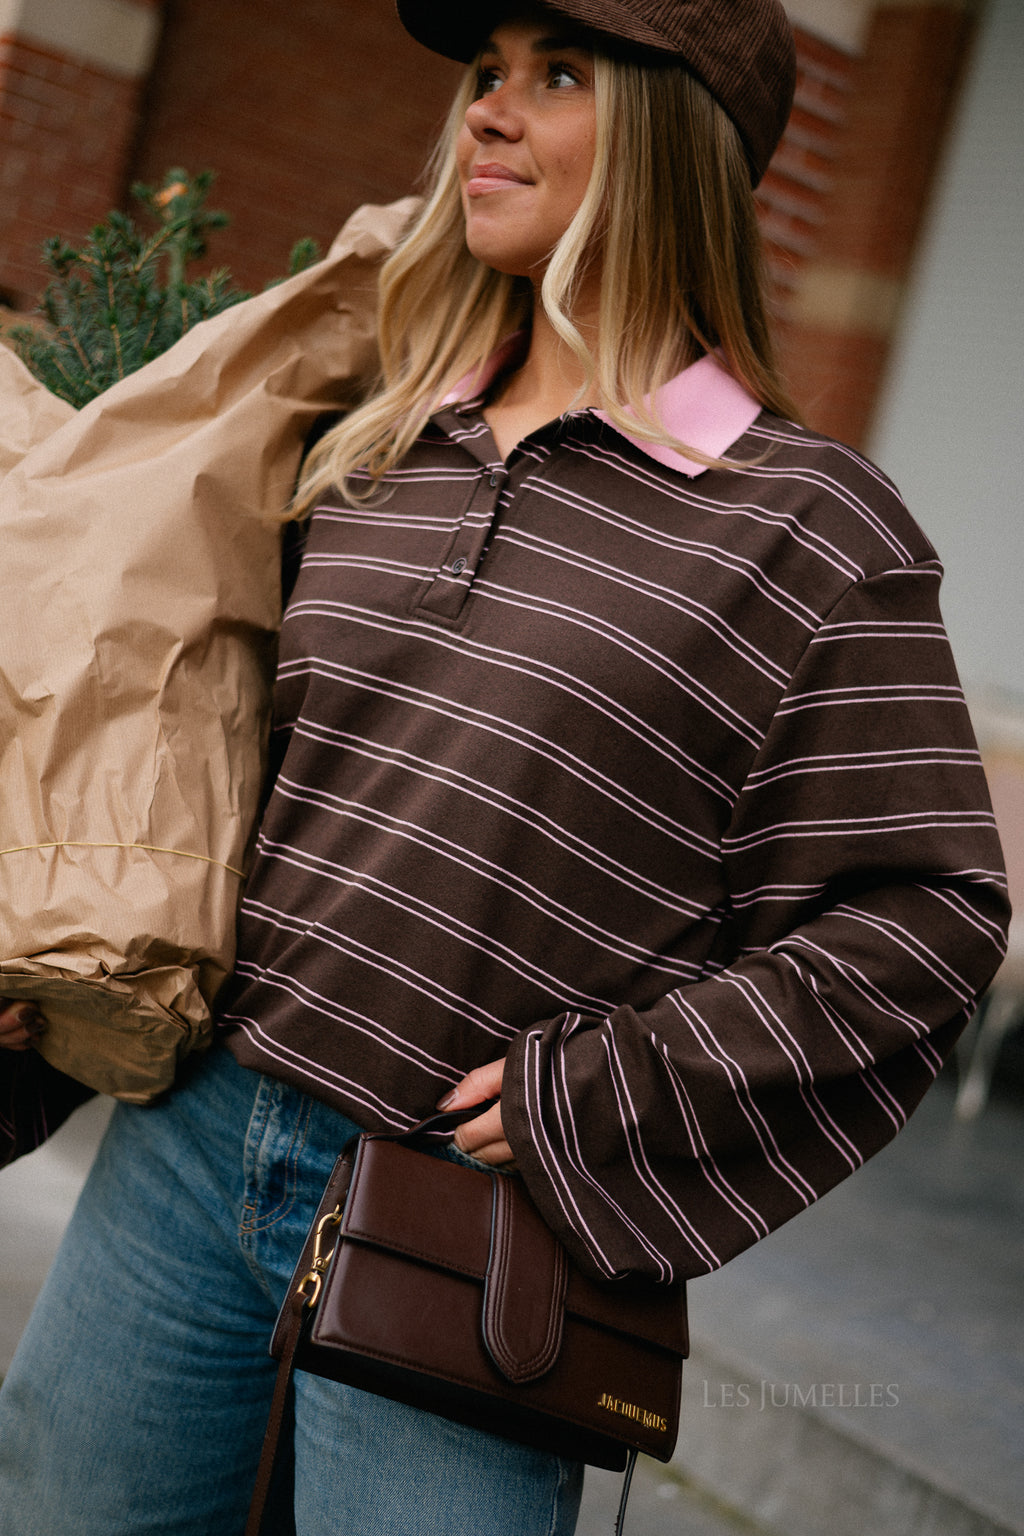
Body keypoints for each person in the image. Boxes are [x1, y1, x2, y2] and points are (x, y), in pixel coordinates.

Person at [0, 1, 1010, 1532]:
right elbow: (200, 752)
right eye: (485, 73)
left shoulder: (809, 532)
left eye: (555, 77)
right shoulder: (380, 438)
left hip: (476, 1226)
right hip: (201, 1147)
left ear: (680, 137)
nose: (486, 110)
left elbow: (925, 917)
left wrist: (604, 1092)